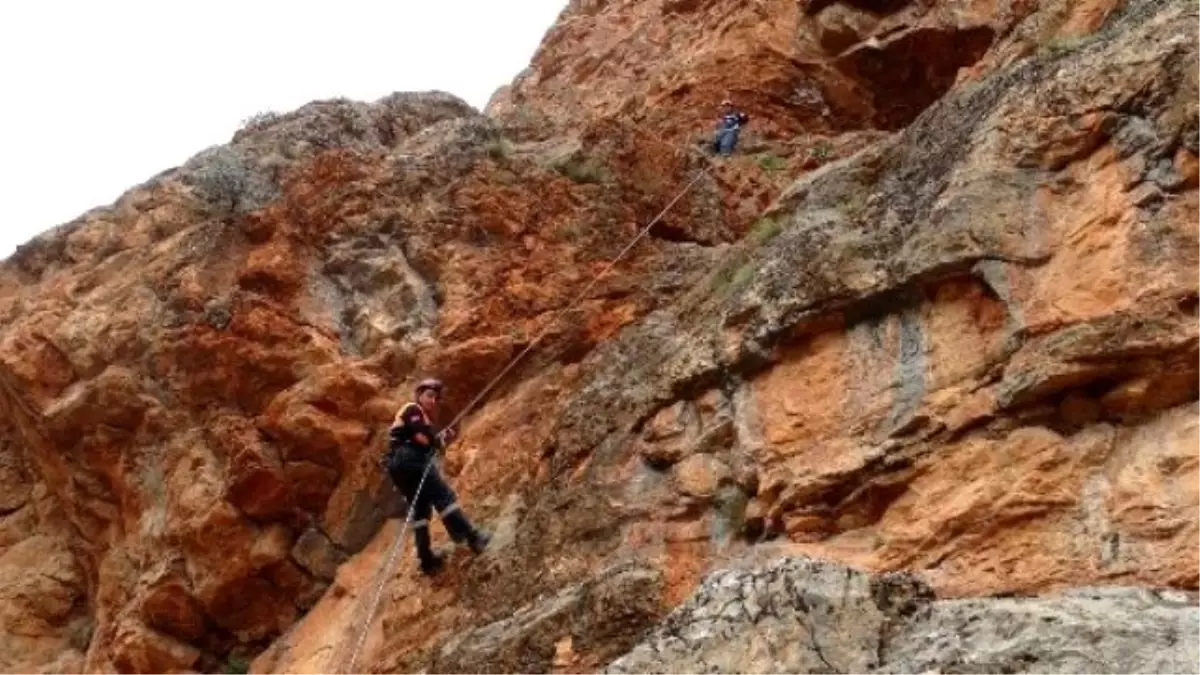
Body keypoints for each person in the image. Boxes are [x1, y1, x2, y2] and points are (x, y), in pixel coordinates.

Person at [385, 378, 489, 575]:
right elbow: (421, 438)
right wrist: (434, 441)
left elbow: (426, 440)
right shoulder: (412, 409)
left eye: (435, 398)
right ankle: (473, 538)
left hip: (398, 467)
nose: (432, 401)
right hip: (410, 459)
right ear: (419, 395)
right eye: (429, 396)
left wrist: (438, 440)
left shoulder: (420, 417)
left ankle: (427, 562)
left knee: (421, 511)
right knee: (444, 497)